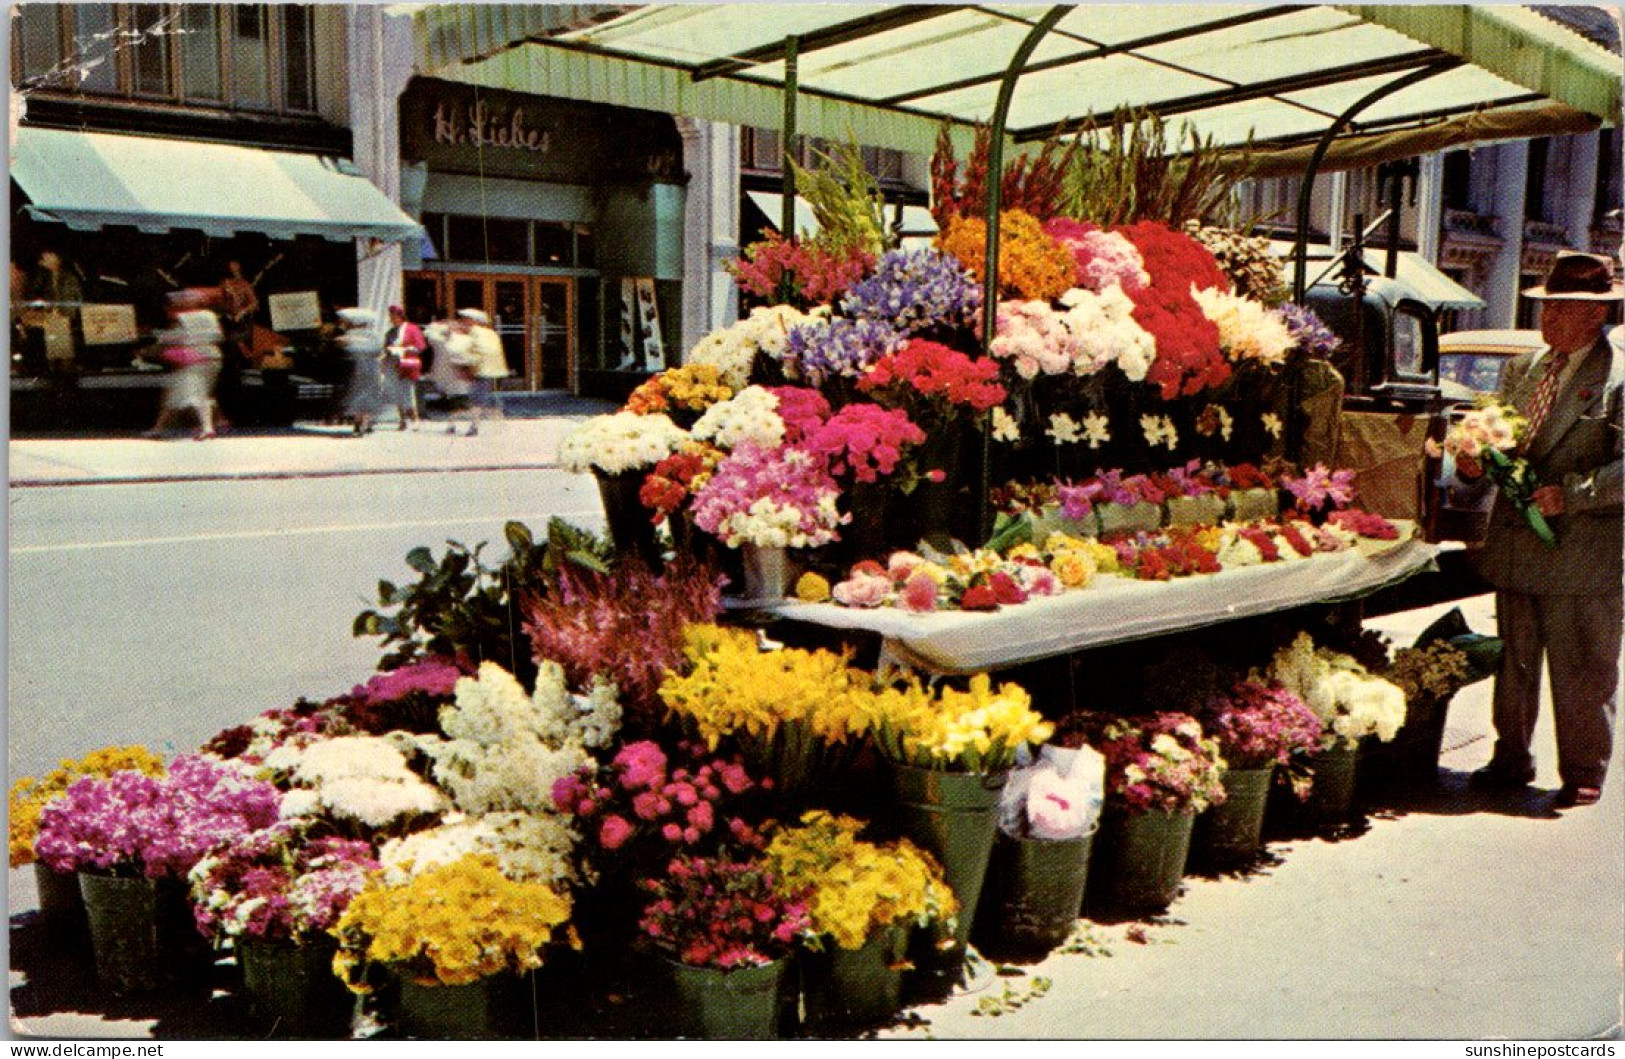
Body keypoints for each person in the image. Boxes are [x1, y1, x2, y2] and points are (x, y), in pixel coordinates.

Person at [1457, 252, 1624, 810]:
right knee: (1515, 659)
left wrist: (1573, 493)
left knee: (1582, 663)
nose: (1548, 319)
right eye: (1546, 306)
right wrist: (1474, 459)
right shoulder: (1523, 368)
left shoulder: (1618, 376)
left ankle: (1582, 768)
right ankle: (1510, 756)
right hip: (1515, 543)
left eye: (1562, 308)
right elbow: (1496, 435)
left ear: (1596, 315)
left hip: (1583, 553)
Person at [144, 289, 223, 441]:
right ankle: (158, 429)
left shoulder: (183, 317)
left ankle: (208, 428)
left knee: (195, 394)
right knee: (179, 392)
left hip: (194, 358)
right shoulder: (210, 315)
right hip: (213, 357)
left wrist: (154, 345)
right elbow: (218, 335)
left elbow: (172, 338)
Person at [425, 313, 477, 435]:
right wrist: (441, 327)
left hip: (461, 376)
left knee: (464, 402)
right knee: (452, 402)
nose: (451, 326)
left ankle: (474, 425)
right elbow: (430, 334)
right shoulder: (443, 339)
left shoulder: (465, 340)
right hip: (448, 377)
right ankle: (452, 425)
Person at [336, 307, 385, 436]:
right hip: (366, 369)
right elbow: (378, 350)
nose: (343, 323)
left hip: (362, 368)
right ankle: (362, 423)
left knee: (362, 394)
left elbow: (376, 350)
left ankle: (362, 423)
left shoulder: (350, 337)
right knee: (363, 395)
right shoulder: (371, 335)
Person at [461, 308, 509, 437]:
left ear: (475, 321)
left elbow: (470, 351)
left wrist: (467, 367)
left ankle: (474, 426)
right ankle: (497, 418)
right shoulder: (492, 333)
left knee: (476, 400)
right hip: (496, 370)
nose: (463, 321)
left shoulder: (473, 333)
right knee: (483, 398)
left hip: (480, 370)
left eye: (466, 319)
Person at [381, 304, 426, 430]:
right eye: (391, 316)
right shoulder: (390, 332)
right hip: (393, 365)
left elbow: (420, 346)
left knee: (408, 393)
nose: (392, 319)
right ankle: (402, 420)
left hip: (407, 364)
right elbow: (385, 348)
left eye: (394, 316)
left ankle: (415, 418)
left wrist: (406, 349)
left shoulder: (412, 329)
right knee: (396, 393)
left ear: (400, 316)